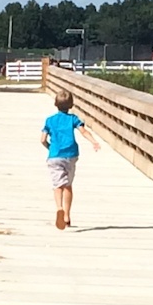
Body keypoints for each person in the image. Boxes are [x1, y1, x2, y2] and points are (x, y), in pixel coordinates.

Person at [41, 89, 99, 229]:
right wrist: (94, 142)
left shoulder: (50, 120)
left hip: (55, 156)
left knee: (57, 185)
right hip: (71, 155)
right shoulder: (73, 119)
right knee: (68, 185)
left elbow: (43, 139)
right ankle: (67, 215)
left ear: (56, 104)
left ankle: (59, 207)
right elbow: (83, 131)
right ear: (71, 105)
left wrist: (50, 148)